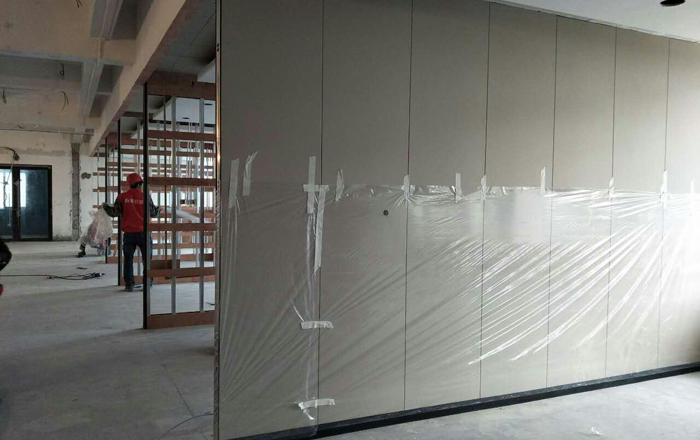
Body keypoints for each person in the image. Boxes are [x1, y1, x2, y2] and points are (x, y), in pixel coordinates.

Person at [103, 173, 160, 292]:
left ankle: (129, 285)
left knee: (128, 260)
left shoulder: (122, 197)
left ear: (129, 184)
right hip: (144, 233)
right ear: (140, 184)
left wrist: (105, 206)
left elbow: (114, 212)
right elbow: (153, 213)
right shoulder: (145, 196)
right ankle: (147, 283)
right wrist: (159, 209)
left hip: (129, 234)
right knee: (147, 260)